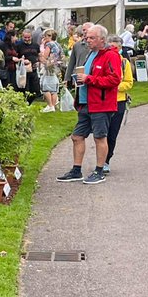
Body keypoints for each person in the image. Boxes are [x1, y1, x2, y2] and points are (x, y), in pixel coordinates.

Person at [56, 24, 122, 185]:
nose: (88, 40)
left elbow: (115, 79)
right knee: (77, 136)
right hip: (86, 103)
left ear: (102, 40)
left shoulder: (111, 55)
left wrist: (89, 79)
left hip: (100, 104)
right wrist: (78, 79)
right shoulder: (90, 54)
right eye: (87, 37)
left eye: (92, 38)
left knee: (100, 137)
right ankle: (76, 170)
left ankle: (99, 171)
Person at [103, 36, 133, 171]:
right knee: (101, 133)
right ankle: (101, 160)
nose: (114, 50)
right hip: (103, 101)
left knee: (112, 133)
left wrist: (114, 86)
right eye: (111, 47)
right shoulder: (103, 60)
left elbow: (129, 82)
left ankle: (106, 161)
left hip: (118, 101)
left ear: (121, 48)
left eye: (117, 47)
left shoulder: (124, 63)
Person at [16, 28, 41, 101]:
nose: (27, 39)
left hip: (33, 70)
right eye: (25, 37)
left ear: (31, 37)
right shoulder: (19, 45)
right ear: (22, 37)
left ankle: (29, 102)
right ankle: (24, 103)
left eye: (28, 37)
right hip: (24, 71)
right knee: (25, 89)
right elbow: (16, 57)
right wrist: (22, 61)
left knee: (35, 89)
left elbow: (39, 55)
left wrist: (39, 62)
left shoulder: (35, 45)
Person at [38, 34, 61, 111]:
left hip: (48, 67)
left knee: (46, 86)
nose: (44, 37)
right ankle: (53, 106)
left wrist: (41, 57)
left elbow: (44, 57)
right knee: (54, 88)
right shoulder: (57, 45)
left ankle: (50, 105)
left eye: (45, 36)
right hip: (55, 66)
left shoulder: (49, 45)